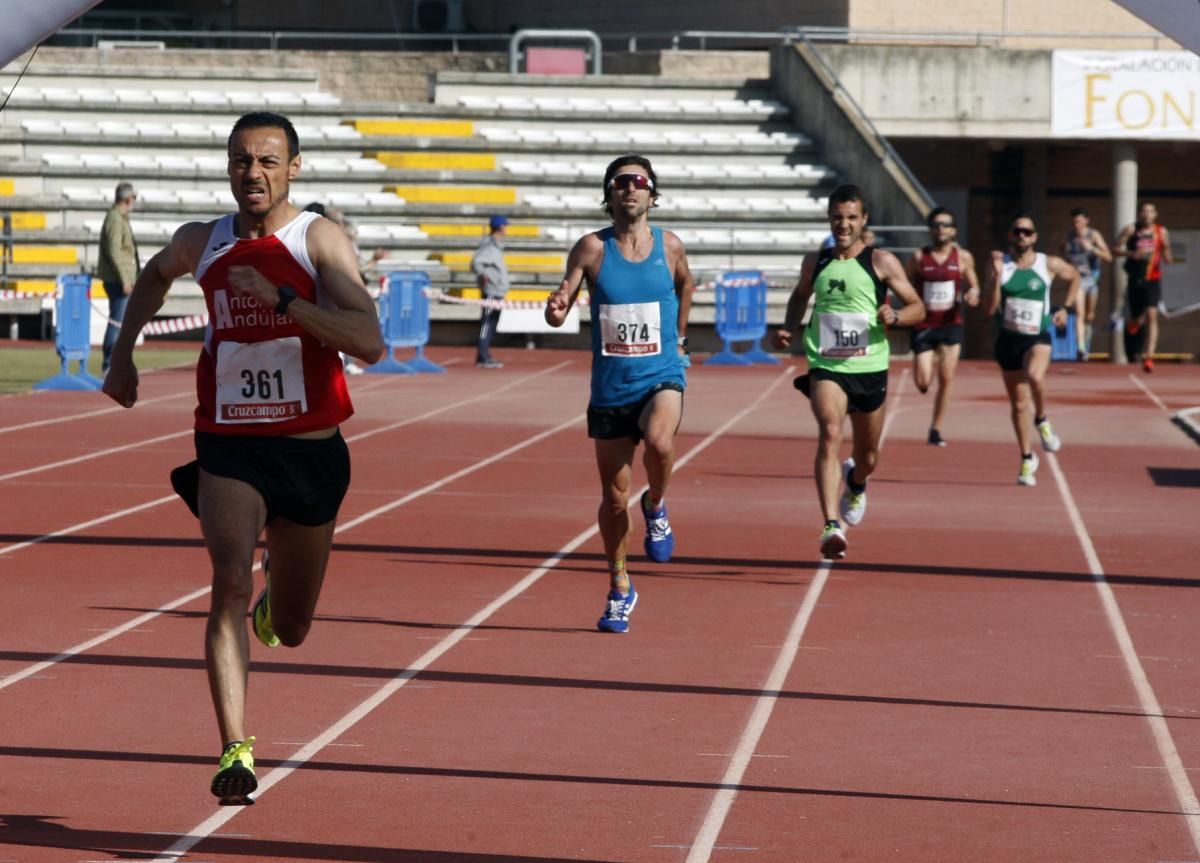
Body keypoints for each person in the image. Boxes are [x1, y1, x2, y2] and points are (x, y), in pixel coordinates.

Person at [102, 112, 384, 804]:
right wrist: (122, 354)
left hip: (311, 453)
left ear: (293, 168)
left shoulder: (316, 239)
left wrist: (287, 300)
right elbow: (151, 280)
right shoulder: (203, 241)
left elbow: (369, 340)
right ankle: (236, 748)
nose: (251, 173)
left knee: (292, 625)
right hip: (229, 443)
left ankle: (270, 618)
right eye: (239, 160)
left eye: (266, 161)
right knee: (227, 577)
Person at [544, 154, 693, 633]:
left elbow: (687, 284)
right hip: (611, 387)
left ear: (653, 193)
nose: (630, 189)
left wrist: (682, 335)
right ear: (608, 194)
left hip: (662, 374)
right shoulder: (591, 248)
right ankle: (620, 586)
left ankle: (656, 505)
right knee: (612, 500)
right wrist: (558, 306)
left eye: (639, 181)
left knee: (661, 441)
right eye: (620, 182)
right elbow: (561, 304)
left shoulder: (669, 245)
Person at [773, 184, 925, 561]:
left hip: (870, 366)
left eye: (851, 218)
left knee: (869, 456)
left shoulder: (882, 262)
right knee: (830, 430)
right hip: (827, 363)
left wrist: (897, 316)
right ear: (830, 219)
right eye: (838, 217)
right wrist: (789, 327)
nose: (844, 224)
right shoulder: (816, 261)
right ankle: (829, 524)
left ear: (864, 220)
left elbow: (918, 307)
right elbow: (799, 296)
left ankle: (855, 481)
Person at [984, 213, 1079, 487]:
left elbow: (1074, 277)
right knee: (1018, 403)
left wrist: (1065, 308)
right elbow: (989, 309)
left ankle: (1042, 418)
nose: (1022, 236)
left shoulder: (1047, 263)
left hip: (1038, 336)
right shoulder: (1001, 264)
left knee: (1036, 376)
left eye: (1027, 231)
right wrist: (996, 276)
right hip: (1008, 340)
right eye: (1017, 231)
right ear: (1011, 236)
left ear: (1034, 237)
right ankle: (1027, 457)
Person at [904, 207, 981, 446]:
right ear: (930, 230)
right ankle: (925, 376)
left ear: (953, 230)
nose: (941, 229)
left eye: (946, 225)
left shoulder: (963, 257)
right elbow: (904, 284)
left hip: (951, 324)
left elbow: (974, 284)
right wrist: (909, 305)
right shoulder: (919, 257)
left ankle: (935, 428)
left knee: (947, 377)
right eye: (937, 225)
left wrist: (974, 293)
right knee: (923, 382)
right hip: (924, 325)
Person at [1115, 201, 1172, 372]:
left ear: (1155, 214)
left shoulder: (1161, 231)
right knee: (1136, 318)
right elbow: (1115, 249)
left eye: (1150, 211)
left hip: (1153, 279)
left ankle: (1149, 357)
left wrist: (1167, 256)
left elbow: (1167, 252)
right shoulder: (1131, 230)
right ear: (1140, 214)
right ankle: (1134, 324)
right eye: (1144, 211)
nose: (1147, 214)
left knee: (1152, 315)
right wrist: (1131, 253)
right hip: (1135, 279)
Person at [96, 181, 140, 373]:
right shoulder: (115, 219)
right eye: (134, 198)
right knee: (116, 322)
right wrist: (124, 279)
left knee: (119, 322)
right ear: (128, 198)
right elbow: (114, 251)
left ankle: (114, 364)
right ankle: (108, 364)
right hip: (117, 280)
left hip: (121, 279)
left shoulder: (120, 217)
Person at [1062, 207, 1112, 360]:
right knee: (1079, 314)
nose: (1077, 224)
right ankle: (1081, 347)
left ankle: (1088, 330)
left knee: (1090, 315)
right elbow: (1065, 255)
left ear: (1086, 221)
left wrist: (1092, 249)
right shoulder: (1069, 237)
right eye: (1074, 221)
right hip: (1078, 280)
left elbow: (1109, 257)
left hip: (1092, 279)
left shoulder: (1094, 235)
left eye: (1079, 221)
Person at [470, 214, 510, 368]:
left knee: (492, 323)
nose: (507, 228)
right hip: (492, 290)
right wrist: (486, 276)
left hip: (498, 291)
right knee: (487, 323)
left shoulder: (496, 246)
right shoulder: (490, 246)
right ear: (500, 227)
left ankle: (484, 354)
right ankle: (483, 356)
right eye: (505, 225)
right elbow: (475, 263)